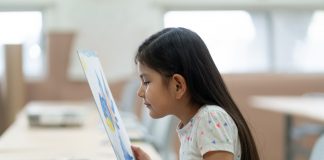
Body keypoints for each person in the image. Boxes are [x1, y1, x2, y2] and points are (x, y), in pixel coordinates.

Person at [131, 27, 259, 160]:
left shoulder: (210, 118)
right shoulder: (194, 123)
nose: (140, 92)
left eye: (146, 82)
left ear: (178, 86)